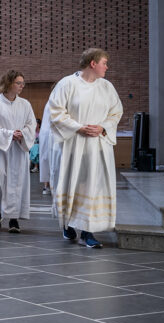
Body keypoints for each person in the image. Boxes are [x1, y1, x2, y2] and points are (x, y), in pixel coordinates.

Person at [48, 48, 123, 248]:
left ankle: (88, 232)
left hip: (97, 145)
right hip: (73, 143)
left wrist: (102, 127)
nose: (107, 67)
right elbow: (55, 112)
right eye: (104, 63)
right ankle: (68, 224)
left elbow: (116, 112)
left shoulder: (106, 87)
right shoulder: (67, 84)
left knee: (92, 186)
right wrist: (78, 127)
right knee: (72, 183)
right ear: (93, 63)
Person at [0, 71, 36, 232]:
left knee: (16, 184)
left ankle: (13, 219)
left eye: (23, 83)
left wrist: (23, 133)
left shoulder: (25, 104)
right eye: (18, 83)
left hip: (17, 150)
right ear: (9, 83)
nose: (22, 86)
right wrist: (10, 134)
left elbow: (31, 125)